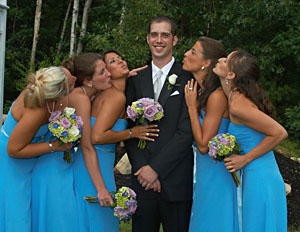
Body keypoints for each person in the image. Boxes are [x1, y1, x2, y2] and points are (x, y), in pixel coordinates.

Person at [72, 50, 157, 232]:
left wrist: (129, 75)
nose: (120, 61)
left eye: (121, 58)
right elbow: (97, 136)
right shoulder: (116, 97)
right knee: (100, 222)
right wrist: (132, 133)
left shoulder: (107, 93)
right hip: (97, 165)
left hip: (91, 164)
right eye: (112, 62)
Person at [125, 16, 194, 232]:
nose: (159, 40)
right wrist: (143, 169)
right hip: (142, 180)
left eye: (165, 35)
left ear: (174, 40)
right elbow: (128, 128)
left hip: (175, 180)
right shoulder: (135, 78)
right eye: (154, 34)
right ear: (147, 38)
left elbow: (186, 131)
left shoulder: (189, 77)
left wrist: (156, 169)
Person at [31, 53, 112, 232]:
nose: (109, 73)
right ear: (88, 81)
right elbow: (87, 147)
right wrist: (102, 189)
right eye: (102, 71)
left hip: (62, 165)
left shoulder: (82, 93)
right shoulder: (81, 98)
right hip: (54, 169)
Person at [214, 49, 287, 232]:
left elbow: (279, 133)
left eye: (226, 60)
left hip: (261, 176)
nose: (220, 59)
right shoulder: (234, 95)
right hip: (254, 173)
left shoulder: (239, 104)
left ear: (231, 74)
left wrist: (244, 159)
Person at [0, 66, 74, 232]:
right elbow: (14, 150)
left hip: (27, 162)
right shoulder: (38, 110)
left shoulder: (41, 91)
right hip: (10, 163)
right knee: (16, 214)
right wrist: (53, 146)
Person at [183, 37, 239, 232]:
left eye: (193, 51)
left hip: (217, 174)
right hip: (204, 172)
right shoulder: (204, 92)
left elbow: (204, 146)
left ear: (206, 63)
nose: (186, 54)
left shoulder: (216, 96)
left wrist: (191, 108)